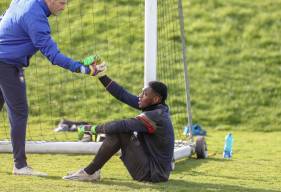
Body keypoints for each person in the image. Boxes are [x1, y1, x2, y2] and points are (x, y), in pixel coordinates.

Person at [0, 0, 105, 176]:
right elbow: (53, 56)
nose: (64, 7)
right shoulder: (35, 18)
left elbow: (5, 17)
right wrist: (85, 69)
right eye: (62, 2)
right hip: (7, 64)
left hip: (5, 60)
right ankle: (20, 166)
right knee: (19, 112)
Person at [63, 75, 175, 183]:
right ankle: (91, 172)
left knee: (120, 131)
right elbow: (122, 94)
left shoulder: (155, 115)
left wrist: (90, 128)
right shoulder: (157, 109)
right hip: (157, 172)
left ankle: (89, 172)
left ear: (155, 99)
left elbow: (122, 125)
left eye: (144, 94)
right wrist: (101, 76)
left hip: (152, 174)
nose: (139, 96)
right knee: (119, 130)